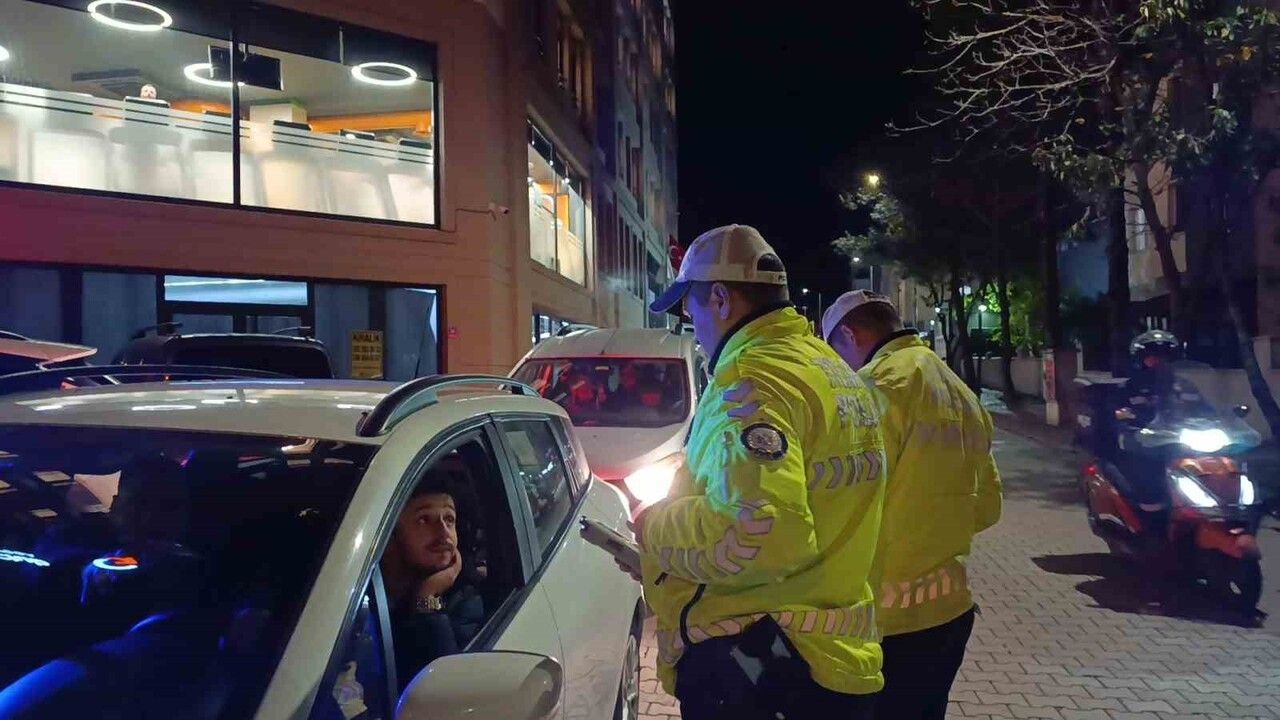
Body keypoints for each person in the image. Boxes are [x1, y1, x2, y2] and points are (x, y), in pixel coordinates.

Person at [633, 224, 888, 720]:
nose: (690, 321)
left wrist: (653, 526)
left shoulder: (752, 381)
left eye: (691, 307)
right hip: (835, 665)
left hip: (761, 667)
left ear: (722, 299)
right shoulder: (828, 369)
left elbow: (758, 535)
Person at [821, 290, 1002, 720]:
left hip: (884, 623)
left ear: (850, 333)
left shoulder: (875, 388)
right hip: (949, 613)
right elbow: (988, 507)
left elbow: (845, 502)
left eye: (837, 352)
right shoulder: (961, 393)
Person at [379, 473, 485, 691]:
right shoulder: (361, 589)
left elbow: (445, 688)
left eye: (449, 519)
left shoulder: (463, 600)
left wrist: (427, 598)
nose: (443, 533)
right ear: (391, 533)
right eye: (424, 520)